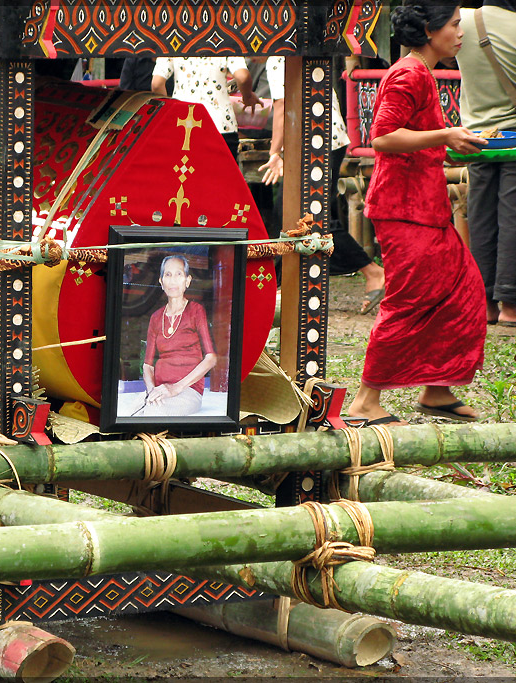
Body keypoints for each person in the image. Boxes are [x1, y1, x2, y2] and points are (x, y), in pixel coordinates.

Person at [347, 2, 488, 425]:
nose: (460, 33)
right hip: (403, 210)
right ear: (429, 29)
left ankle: (437, 389)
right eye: (454, 25)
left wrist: (455, 143)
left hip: (425, 207)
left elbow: (415, 139)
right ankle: (365, 401)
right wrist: (446, 133)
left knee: (463, 291)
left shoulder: (420, 71)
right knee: (408, 301)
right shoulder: (409, 72)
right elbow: (385, 138)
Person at [258, 56, 387, 313]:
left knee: (308, 219)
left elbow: (282, 107)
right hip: (323, 139)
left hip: (316, 142)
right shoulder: (300, 47)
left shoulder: (279, 57)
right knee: (298, 217)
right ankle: (288, 286)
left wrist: (275, 152)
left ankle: (372, 271)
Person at [455, 0, 516, 326]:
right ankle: (509, 306)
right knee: (515, 220)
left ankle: (483, 304)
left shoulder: (461, 21)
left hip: (476, 138)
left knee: (481, 216)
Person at [134, 255, 217, 417]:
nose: (173, 281)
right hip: (158, 389)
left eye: (179, 274)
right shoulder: (156, 317)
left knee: (153, 412)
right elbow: (147, 366)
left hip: (188, 391)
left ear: (187, 281)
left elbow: (211, 358)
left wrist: (175, 388)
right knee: (130, 412)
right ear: (161, 282)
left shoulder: (196, 311)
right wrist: (152, 392)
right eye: (168, 275)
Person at [151, 57, 260, 160]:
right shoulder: (227, 39)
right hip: (221, 126)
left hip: (183, 127)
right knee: (221, 178)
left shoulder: (174, 40)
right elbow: (243, 77)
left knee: (186, 177)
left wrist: (168, 112)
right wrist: (247, 97)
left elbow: (157, 84)